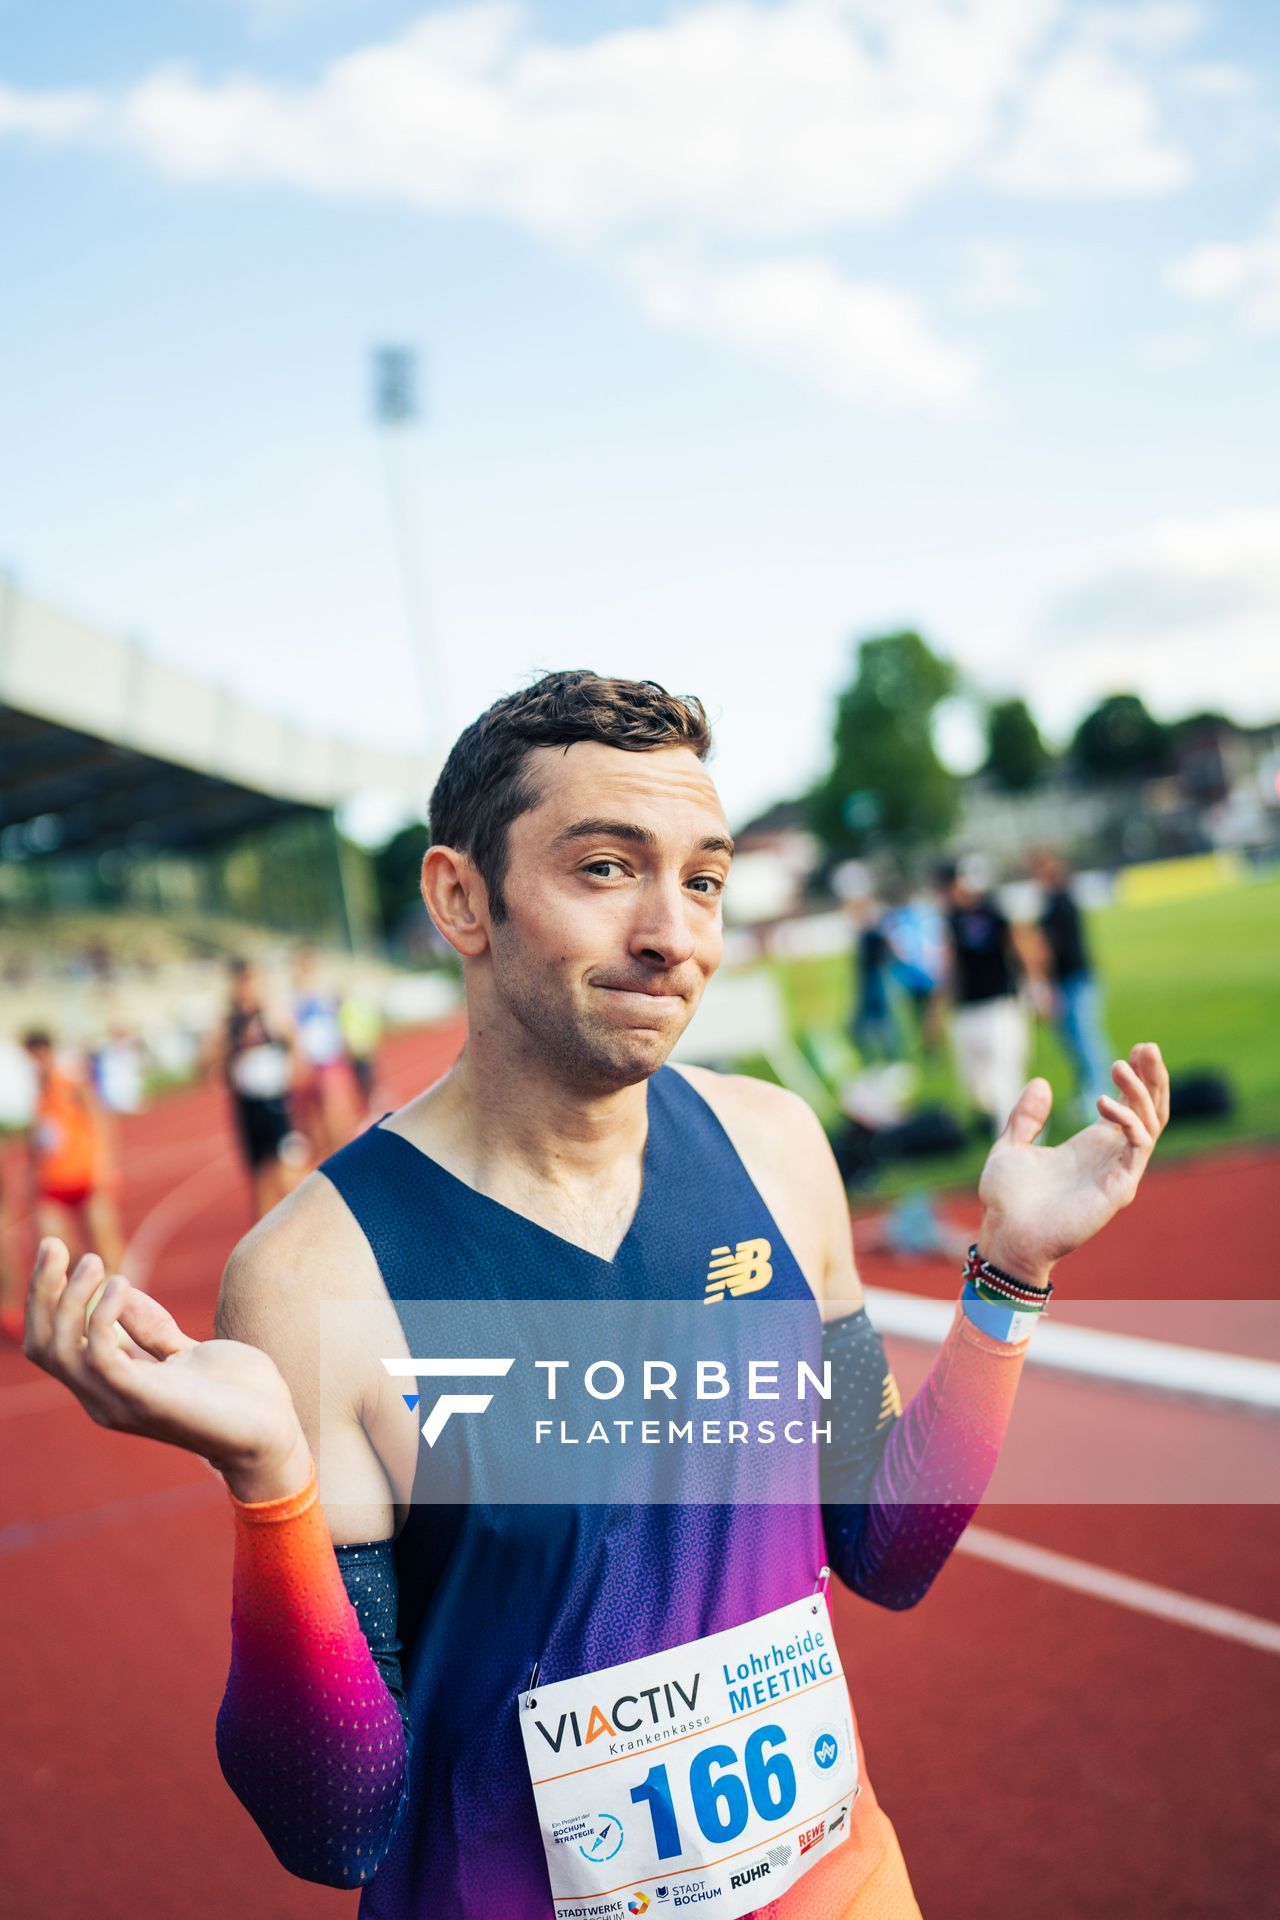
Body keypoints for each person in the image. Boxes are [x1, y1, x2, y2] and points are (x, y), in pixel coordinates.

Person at [23, 671, 1170, 1920]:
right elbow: (335, 1824)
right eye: (605, 868)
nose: (672, 933)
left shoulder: (778, 1154)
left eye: (703, 878)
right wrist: (270, 1489)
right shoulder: (315, 1277)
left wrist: (1010, 1274)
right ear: (462, 898)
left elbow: (883, 1547)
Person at [935, 859, 1041, 1136]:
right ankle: (1013, 1129)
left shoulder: (993, 910)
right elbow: (949, 967)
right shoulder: (951, 920)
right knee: (976, 1085)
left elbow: (1022, 944)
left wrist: (1037, 987)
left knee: (1004, 1078)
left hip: (999, 1005)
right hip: (967, 1010)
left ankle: (1021, 1138)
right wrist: (937, 1011)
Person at [203, 961, 305, 1221]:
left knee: (288, 1171)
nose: (245, 988)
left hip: (275, 1101)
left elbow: (293, 1042)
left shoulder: (271, 1014)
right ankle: (265, 1233)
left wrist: (293, 1073)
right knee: (258, 1176)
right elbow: (209, 1066)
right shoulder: (228, 1023)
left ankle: (303, 1222)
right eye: (240, 982)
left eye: (250, 981)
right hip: (247, 1105)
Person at [22, 1030, 126, 1274]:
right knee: (54, 1250)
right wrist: (32, 1173)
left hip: (84, 1175)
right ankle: (89, 1283)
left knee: (105, 1246)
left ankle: (123, 1293)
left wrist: (104, 1163)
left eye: (38, 1054)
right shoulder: (37, 1095)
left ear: (46, 1051)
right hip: (53, 1182)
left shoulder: (70, 1084)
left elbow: (100, 1119)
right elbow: (36, 1141)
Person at [1028, 849, 1113, 1123]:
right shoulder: (1053, 901)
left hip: (1075, 978)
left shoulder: (1060, 902)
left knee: (1085, 1038)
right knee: (1075, 1040)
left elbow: (1052, 948)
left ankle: (1101, 1094)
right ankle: (1090, 1091)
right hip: (1068, 980)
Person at [291, 948, 361, 1157]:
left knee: (339, 1119)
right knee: (313, 1128)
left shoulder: (327, 993)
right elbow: (292, 1032)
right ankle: (327, 1163)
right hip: (310, 1065)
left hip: (331, 1062)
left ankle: (342, 1160)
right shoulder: (294, 998)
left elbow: (340, 1023)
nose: (306, 971)